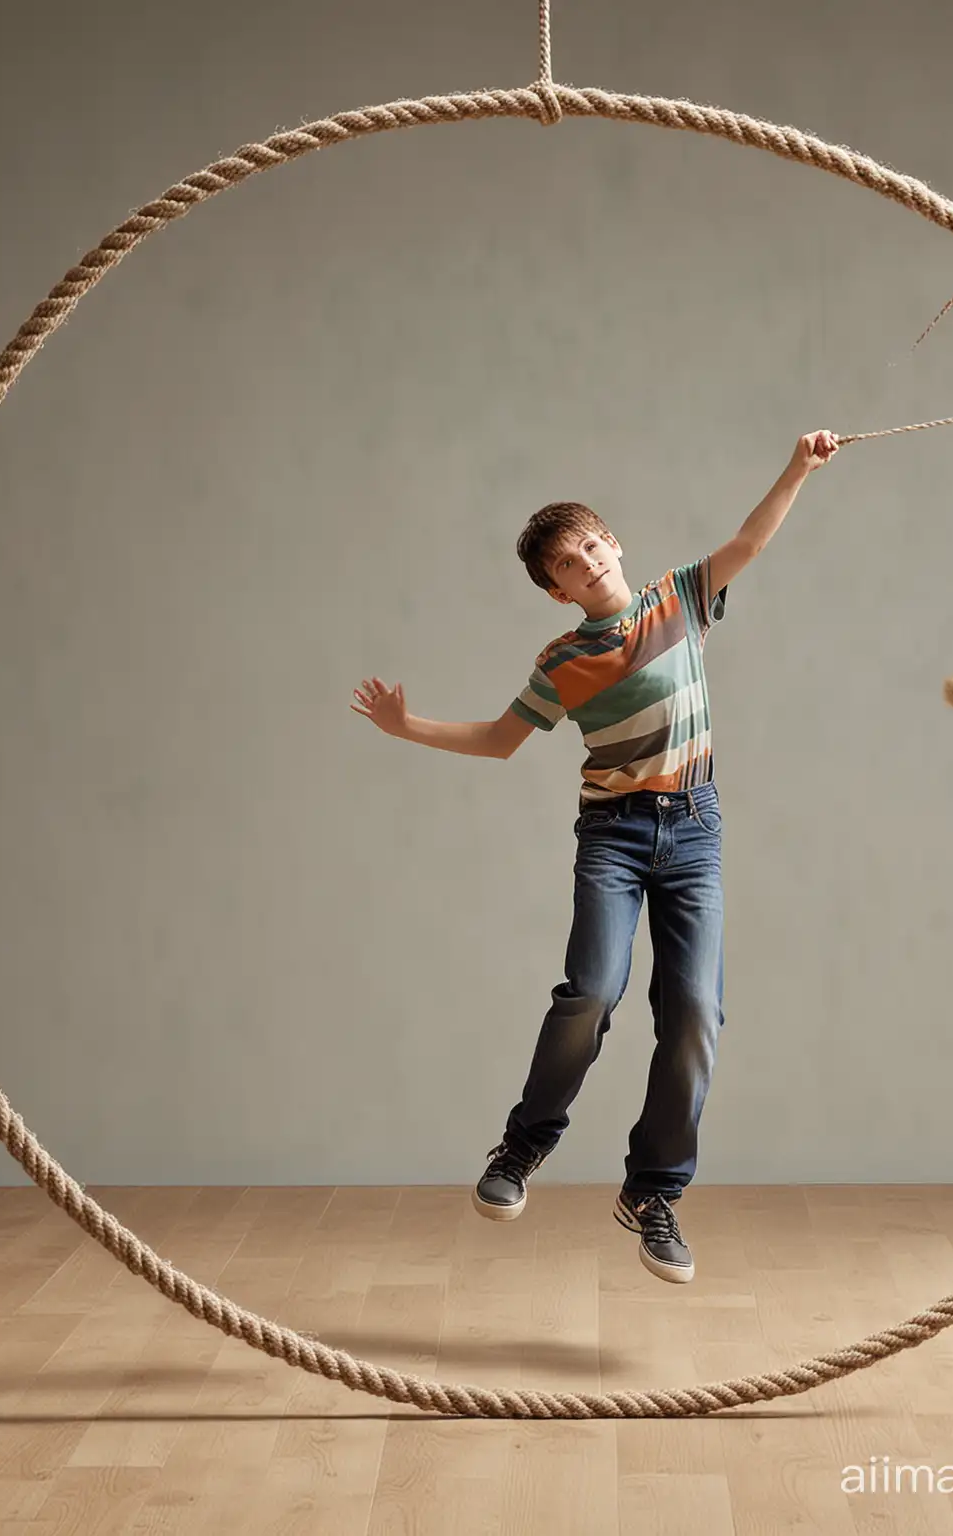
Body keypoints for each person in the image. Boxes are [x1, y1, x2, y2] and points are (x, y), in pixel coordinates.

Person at [351, 430, 841, 1282]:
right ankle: (522, 1147)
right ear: (556, 593)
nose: (584, 563)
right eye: (565, 568)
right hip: (613, 838)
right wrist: (407, 726)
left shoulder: (682, 598)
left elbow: (750, 541)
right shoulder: (565, 661)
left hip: (694, 830)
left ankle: (653, 1194)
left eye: (588, 544)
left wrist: (797, 467)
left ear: (612, 540)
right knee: (592, 991)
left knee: (694, 1014)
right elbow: (502, 739)